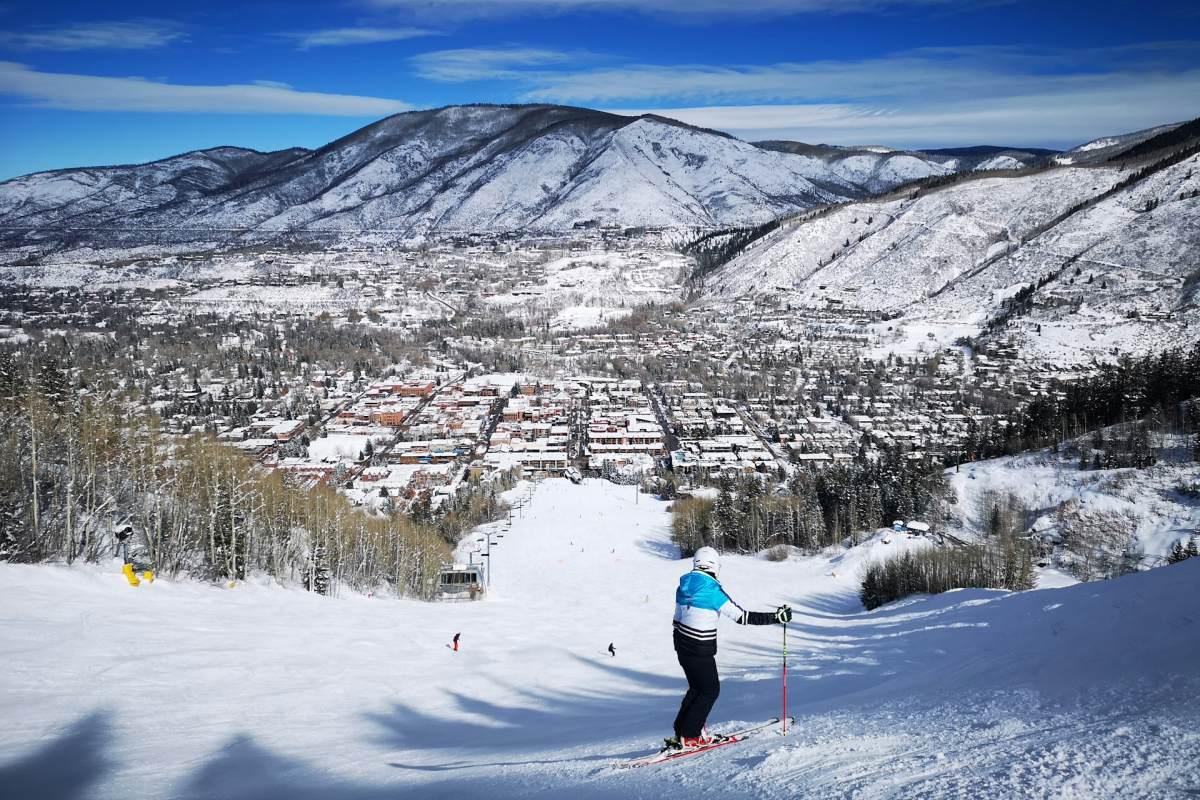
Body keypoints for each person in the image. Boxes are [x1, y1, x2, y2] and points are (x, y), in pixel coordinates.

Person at [667, 546, 790, 751]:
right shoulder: (712, 590)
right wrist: (776, 617)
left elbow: (678, 618)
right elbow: (742, 616)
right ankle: (690, 736)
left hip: (682, 645)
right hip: (700, 648)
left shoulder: (683, 586)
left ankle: (682, 731)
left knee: (697, 688)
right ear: (715, 566)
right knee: (709, 690)